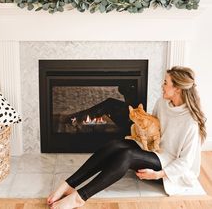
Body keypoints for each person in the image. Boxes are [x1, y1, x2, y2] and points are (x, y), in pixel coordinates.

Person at [47, 66, 207, 209]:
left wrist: (158, 174)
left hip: (169, 166)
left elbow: (185, 162)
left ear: (177, 89)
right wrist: (139, 128)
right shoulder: (163, 103)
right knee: (115, 145)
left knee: (127, 155)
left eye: (166, 83)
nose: (162, 86)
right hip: (154, 149)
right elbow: (155, 128)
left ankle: (80, 197)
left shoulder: (191, 122)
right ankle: (68, 184)